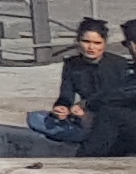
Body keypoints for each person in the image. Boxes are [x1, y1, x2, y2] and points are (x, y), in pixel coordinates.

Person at [42, 18, 118, 147]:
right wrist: (61, 108)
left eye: (97, 43)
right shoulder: (72, 64)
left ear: (105, 44)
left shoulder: (118, 65)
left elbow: (117, 97)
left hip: (112, 118)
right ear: (78, 42)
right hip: (81, 117)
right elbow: (66, 95)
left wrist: (87, 109)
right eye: (86, 41)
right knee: (37, 118)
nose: (91, 47)